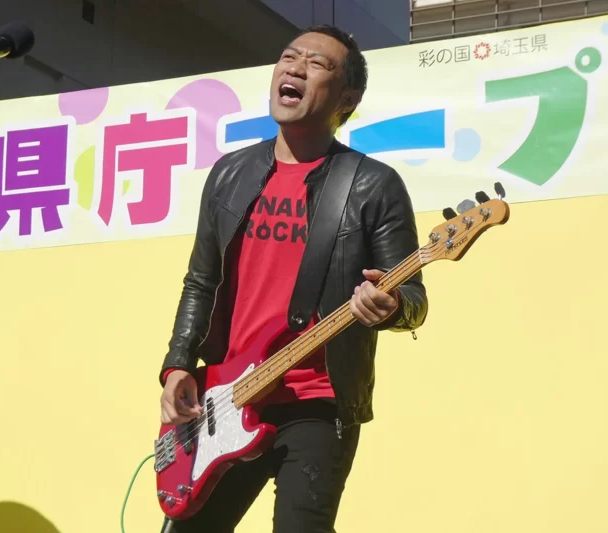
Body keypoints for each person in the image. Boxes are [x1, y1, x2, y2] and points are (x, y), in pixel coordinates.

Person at [158, 24, 429, 533]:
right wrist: (177, 366)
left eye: (317, 64)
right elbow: (200, 281)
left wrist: (391, 308)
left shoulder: (372, 185)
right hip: (226, 399)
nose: (296, 67)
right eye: (289, 56)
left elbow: (413, 298)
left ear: (347, 99)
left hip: (317, 401)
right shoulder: (229, 174)